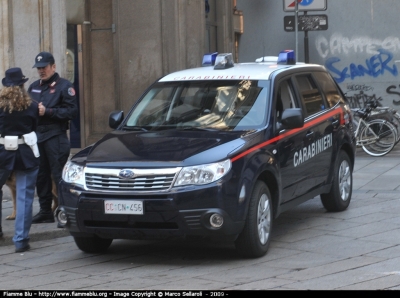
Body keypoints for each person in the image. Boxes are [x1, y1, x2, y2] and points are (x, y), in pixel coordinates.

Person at [28, 52, 78, 224]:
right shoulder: (34, 86)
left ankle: (64, 211)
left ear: (53, 66)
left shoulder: (65, 86)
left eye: (44, 67)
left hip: (55, 136)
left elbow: (71, 111)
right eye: (39, 68)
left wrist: (48, 111)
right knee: (40, 176)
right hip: (37, 137)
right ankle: (45, 210)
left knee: (58, 175)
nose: (41, 71)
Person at [0, 67, 40, 252]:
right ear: (23, 85)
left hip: (2, 152)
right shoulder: (32, 105)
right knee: (25, 197)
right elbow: (34, 127)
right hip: (25, 152)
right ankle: (21, 240)